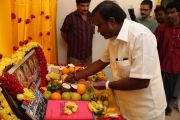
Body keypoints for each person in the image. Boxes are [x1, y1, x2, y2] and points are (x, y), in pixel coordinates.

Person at [66, 1, 167, 119]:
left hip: (146, 111)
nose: (98, 31)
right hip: (125, 106)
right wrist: (76, 76)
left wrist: (107, 84)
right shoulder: (114, 38)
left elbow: (141, 81)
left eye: (99, 25)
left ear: (112, 22)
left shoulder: (140, 36)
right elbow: (101, 62)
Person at [154, 1, 180, 115]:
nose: (169, 15)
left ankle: (165, 108)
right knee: (157, 89)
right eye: (168, 13)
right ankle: (157, 109)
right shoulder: (161, 28)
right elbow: (153, 45)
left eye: (172, 12)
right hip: (159, 65)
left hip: (175, 67)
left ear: (178, 13)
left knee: (169, 90)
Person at [61, 0, 95, 65]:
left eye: (87, 5)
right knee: (73, 74)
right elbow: (63, 32)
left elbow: (91, 33)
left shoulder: (91, 16)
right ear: (77, 5)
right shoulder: (70, 17)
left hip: (88, 55)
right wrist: (70, 43)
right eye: (83, 6)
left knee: (88, 74)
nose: (86, 8)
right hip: (74, 56)